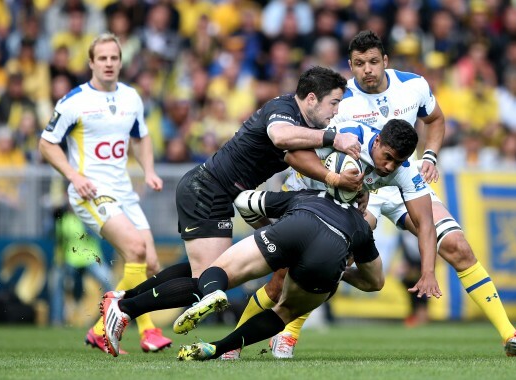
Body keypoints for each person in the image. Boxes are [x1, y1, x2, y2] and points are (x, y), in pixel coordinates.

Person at [236, 30, 516, 359]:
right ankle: (278, 336)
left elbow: (436, 119)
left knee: (456, 245)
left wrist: (430, 156)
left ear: (385, 61)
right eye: (358, 63)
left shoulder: (414, 86)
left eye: (371, 62)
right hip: (353, 187)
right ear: (350, 67)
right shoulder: (339, 99)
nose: (366, 69)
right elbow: (308, 143)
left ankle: (511, 335)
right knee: (312, 265)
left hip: (400, 179)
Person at [99, 119, 442, 358]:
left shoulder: (402, 171)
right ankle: (134, 307)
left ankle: (130, 303)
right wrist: (332, 178)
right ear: (377, 141)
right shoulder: (348, 135)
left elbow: (425, 223)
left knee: (214, 273)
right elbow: (292, 154)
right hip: (305, 194)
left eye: (396, 163)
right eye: (386, 158)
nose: (388, 167)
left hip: (314, 215)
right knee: (242, 280)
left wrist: (428, 271)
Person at [38, 33, 172, 354]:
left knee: (150, 262)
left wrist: (149, 170)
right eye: (102, 58)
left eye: (114, 58)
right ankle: (143, 329)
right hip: (91, 191)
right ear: (91, 63)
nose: (109, 63)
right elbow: (46, 143)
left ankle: (105, 329)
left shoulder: (131, 97)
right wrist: (73, 175)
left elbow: (141, 137)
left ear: (121, 61)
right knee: (137, 250)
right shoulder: (75, 101)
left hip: (124, 189)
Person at [175, 66, 361, 281]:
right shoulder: (283, 108)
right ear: (311, 98)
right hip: (206, 188)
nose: (336, 111)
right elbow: (279, 136)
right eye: (334, 103)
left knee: (208, 276)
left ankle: (130, 300)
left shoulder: (302, 125)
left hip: (219, 193)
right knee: (209, 280)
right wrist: (334, 138)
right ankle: (131, 305)